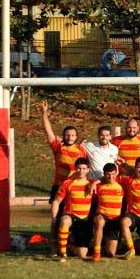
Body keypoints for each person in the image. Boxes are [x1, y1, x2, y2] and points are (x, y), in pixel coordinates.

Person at [41, 100, 87, 256]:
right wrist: (44, 114)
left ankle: (72, 243)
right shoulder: (58, 147)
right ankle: (54, 246)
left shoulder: (82, 150)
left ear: (76, 137)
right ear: (64, 136)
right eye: (67, 134)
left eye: (73, 135)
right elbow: (48, 132)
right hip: (59, 187)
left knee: (75, 217)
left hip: (76, 188)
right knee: (56, 218)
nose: (70, 136)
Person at [50, 158, 93, 262]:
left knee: (82, 254)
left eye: (84, 169)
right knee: (65, 220)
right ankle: (63, 253)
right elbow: (56, 201)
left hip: (84, 219)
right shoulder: (67, 183)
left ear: (88, 170)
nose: (81, 171)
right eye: (79, 168)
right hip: (71, 215)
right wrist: (54, 218)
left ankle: (69, 246)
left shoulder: (92, 184)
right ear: (75, 169)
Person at [91, 163, 125, 260]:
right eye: (108, 174)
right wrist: (94, 183)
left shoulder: (122, 184)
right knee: (100, 221)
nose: (111, 177)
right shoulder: (99, 186)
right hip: (101, 216)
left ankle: (104, 242)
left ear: (117, 173)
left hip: (114, 221)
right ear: (104, 174)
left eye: (113, 174)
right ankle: (96, 253)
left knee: (111, 253)